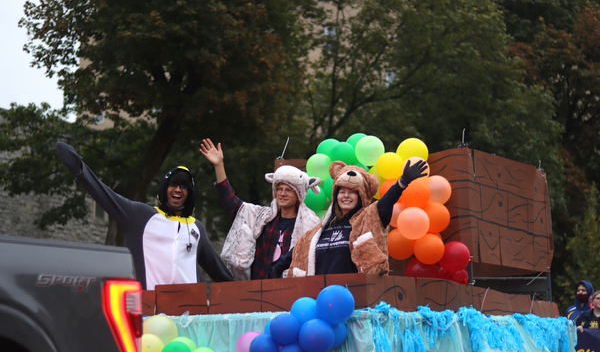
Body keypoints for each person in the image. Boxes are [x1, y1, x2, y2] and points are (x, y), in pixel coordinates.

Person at [56, 142, 233, 290]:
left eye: (184, 186)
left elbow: (220, 273)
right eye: (173, 184)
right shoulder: (141, 216)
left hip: (189, 318)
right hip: (149, 316)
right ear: (165, 188)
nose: (178, 189)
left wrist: (253, 293)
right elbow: (104, 195)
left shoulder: (196, 228)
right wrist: (80, 169)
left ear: (190, 193)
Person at [272, 159, 428, 277]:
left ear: (360, 195)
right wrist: (273, 273)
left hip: (355, 299)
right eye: (342, 191)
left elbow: (386, 202)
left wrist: (402, 183)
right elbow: (298, 250)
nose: (346, 196)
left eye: (352, 192)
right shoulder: (323, 228)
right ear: (336, 195)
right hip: (319, 299)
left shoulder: (370, 218)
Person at [199, 138, 321, 280]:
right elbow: (231, 202)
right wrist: (219, 165)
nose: (282, 193)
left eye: (289, 190)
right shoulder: (262, 218)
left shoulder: (310, 225)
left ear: (299, 193)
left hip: (291, 293)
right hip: (259, 291)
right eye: (279, 189)